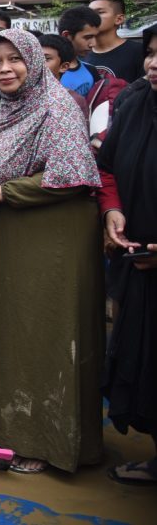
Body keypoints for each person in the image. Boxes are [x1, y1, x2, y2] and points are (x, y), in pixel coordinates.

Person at [0, 28, 103, 474]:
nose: (4, 70)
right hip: (13, 232)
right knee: (10, 331)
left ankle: (44, 443)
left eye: (14, 60)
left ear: (35, 63)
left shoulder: (55, 105)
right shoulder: (9, 105)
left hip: (51, 238)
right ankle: (3, 426)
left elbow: (71, 174)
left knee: (43, 336)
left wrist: (2, 192)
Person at [99, 25, 157, 486]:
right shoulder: (137, 104)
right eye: (152, 54)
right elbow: (107, 167)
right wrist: (113, 210)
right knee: (143, 360)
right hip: (138, 261)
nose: (154, 64)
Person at [89, 0, 145, 82]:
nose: (91, 17)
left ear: (119, 19)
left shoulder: (139, 52)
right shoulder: (80, 55)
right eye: (89, 13)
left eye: (100, 12)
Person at [58, 5, 102, 95]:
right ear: (66, 36)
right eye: (88, 37)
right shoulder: (45, 72)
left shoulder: (91, 71)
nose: (93, 44)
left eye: (95, 37)